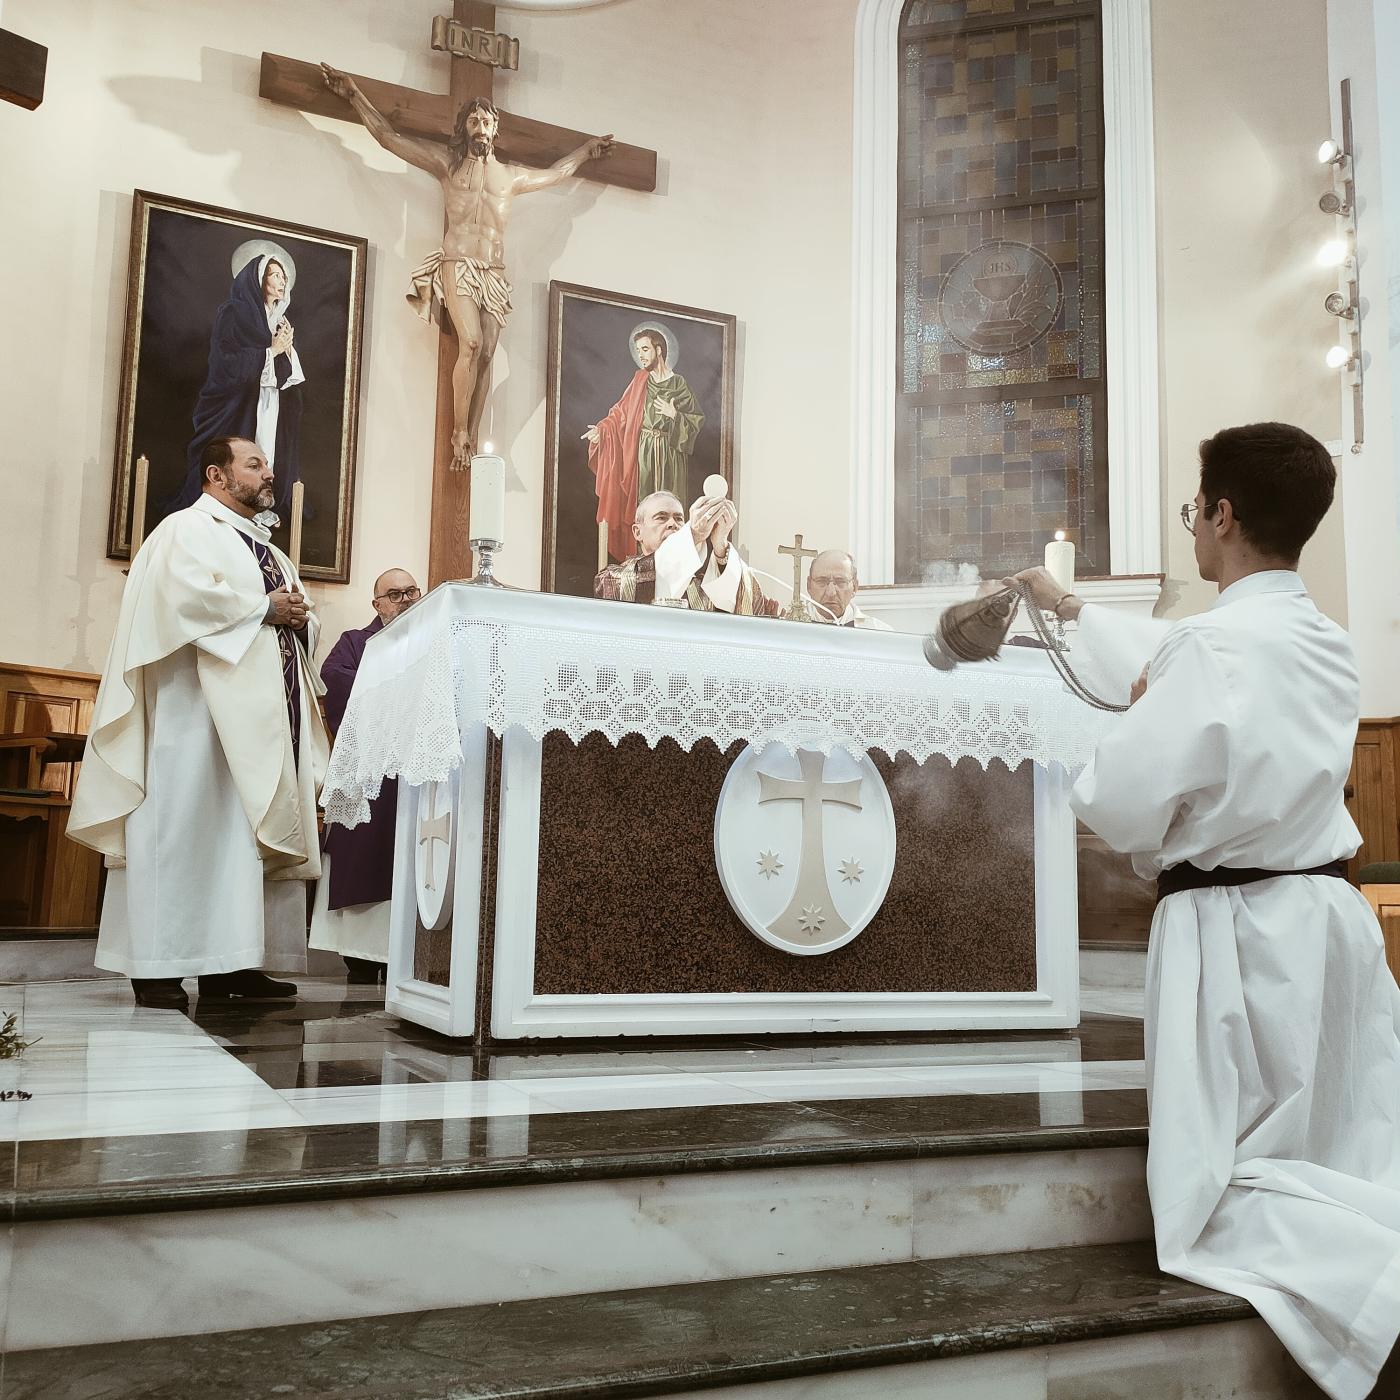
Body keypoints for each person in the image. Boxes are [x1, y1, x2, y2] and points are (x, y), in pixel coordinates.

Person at [1013, 422, 1400, 1399]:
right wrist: (1099, 634)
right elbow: (1205, 669)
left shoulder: (1207, 643)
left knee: (1207, 1198)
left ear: (1222, 514)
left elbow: (1116, 796)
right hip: (1323, 925)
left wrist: (1132, 717)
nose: (1192, 525)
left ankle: (1380, 1283)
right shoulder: (1321, 635)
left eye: (1193, 509)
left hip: (1231, 938)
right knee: (1339, 1152)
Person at [70, 436, 330, 1010]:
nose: (269, 474)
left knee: (240, 842)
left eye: (268, 464)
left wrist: (297, 621)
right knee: (183, 830)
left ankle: (230, 964)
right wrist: (264, 609)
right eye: (254, 464)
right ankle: (156, 964)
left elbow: (297, 624)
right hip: (194, 719)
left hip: (260, 721)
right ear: (216, 474)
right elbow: (178, 603)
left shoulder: (271, 550)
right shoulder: (183, 531)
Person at [321, 66, 613, 466]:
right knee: (471, 343)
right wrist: (354, 95)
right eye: (474, 120)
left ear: (496, 129)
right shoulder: (448, 166)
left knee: (489, 352)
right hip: (457, 263)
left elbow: (557, 173)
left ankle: (472, 433)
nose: (480, 126)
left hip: (493, 271)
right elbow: (390, 139)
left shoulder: (510, 177)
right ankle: (459, 430)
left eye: (487, 120)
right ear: (465, 126)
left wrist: (586, 150)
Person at [309, 568, 421, 985]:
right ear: (376, 604)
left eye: (412, 591)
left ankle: (408, 950)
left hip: (416, 770)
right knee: (364, 848)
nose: (405, 599)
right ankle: (360, 950)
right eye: (394, 594)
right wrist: (399, 693)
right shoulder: (356, 643)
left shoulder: (434, 644)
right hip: (367, 769)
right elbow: (335, 680)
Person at [165, 248, 306, 517]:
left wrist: (287, 350)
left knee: (267, 451)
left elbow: (287, 375)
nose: (282, 281)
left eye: (283, 276)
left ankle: (258, 508)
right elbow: (224, 362)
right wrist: (272, 351)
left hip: (268, 401)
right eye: (275, 275)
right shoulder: (232, 313)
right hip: (236, 403)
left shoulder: (280, 319)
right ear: (259, 281)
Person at [583, 328, 704, 563]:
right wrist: (603, 430)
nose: (642, 356)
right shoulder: (640, 381)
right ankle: (642, 562)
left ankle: (673, 563)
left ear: (659, 350)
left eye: (646, 349)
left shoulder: (679, 384)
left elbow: (695, 421)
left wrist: (674, 415)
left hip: (670, 454)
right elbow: (620, 413)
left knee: (670, 509)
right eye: (639, 351)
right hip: (643, 454)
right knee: (644, 507)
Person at [594, 490, 775, 614]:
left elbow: (743, 603)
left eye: (679, 519)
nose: (673, 524)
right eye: (661, 517)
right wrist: (694, 533)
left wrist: (720, 546)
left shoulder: (704, 583)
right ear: (637, 532)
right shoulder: (612, 577)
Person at [806, 549, 892, 630]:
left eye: (840, 582)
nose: (831, 593)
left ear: (854, 587)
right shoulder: (793, 627)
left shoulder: (880, 632)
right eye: (822, 581)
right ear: (809, 585)